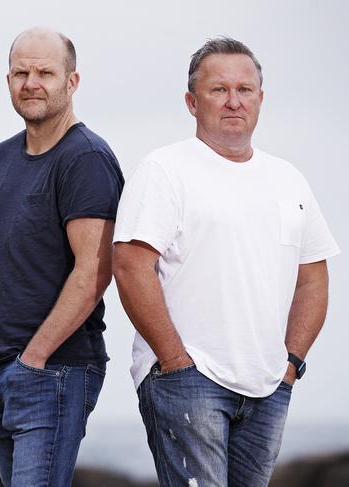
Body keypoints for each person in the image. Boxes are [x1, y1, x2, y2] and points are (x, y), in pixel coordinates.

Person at [112, 37, 340, 486]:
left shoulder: (288, 179)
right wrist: (174, 360)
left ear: (260, 98)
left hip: (268, 384)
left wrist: (291, 365)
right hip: (187, 378)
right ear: (191, 102)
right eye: (219, 90)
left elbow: (313, 278)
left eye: (245, 89)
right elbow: (129, 266)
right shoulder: (164, 170)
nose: (234, 101)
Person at [0, 27, 124, 487]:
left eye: (46, 72)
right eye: (21, 72)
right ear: (8, 80)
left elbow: (95, 269)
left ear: (72, 82)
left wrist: (34, 358)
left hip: (55, 371)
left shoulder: (86, 158)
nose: (31, 82)